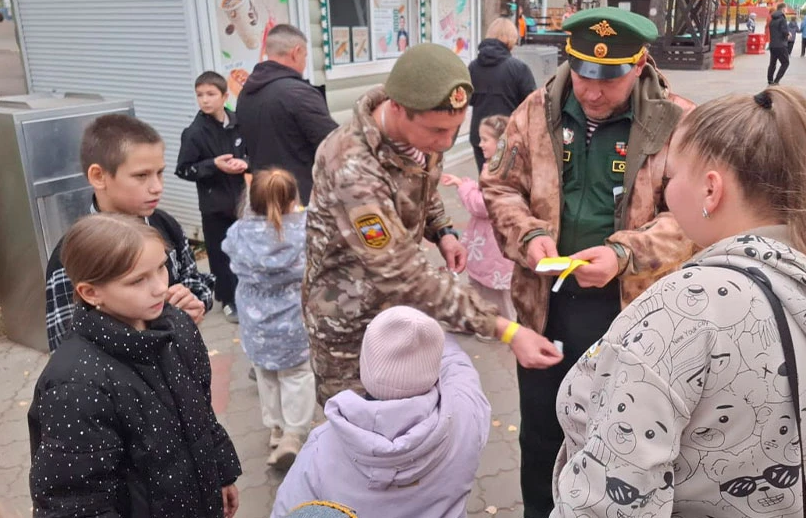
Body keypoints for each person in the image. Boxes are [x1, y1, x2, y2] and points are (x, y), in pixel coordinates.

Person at [550, 86, 806, 518]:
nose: (666, 190)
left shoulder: (681, 311)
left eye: (671, 176)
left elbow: (611, 499)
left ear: (711, 190)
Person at [480, 7, 696, 518]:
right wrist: (530, 235)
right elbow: (500, 186)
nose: (593, 93)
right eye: (583, 75)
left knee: (618, 438)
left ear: (639, 65)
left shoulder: (680, 122)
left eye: (609, 80)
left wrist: (625, 254)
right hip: (545, 310)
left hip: (632, 316)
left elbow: (692, 216)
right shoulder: (534, 111)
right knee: (540, 435)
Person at [303, 42, 562, 406]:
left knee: (406, 421)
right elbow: (403, 273)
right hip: (348, 323)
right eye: (437, 131)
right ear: (397, 107)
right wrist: (505, 329)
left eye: (454, 130)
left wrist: (443, 232)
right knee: (358, 424)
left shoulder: (418, 135)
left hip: (398, 310)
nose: (444, 143)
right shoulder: (351, 168)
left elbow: (421, 185)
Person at [29, 214, 242, 517]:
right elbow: (76, 503)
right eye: (138, 280)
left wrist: (221, 472)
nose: (160, 288)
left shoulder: (177, 328)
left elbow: (201, 413)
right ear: (91, 292)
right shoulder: (76, 385)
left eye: (161, 268)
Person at [272, 306, 490, 518]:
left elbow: (288, 509)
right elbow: (459, 368)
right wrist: (431, 333)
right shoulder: (465, 414)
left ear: (364, 366)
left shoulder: (322, 446)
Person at [44, 115, 214, 352]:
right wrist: (160, 321)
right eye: (141, 176)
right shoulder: (73, 257)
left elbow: (195, 280)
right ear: (98, 176)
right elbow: (67, 350)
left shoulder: (165, 225)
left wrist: (194, 302)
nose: (157, 187)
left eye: (160, 173)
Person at [222, 168, 315, 469]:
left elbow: (226, 250)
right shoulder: (302, 231)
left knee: (266, 374)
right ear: (292, 201)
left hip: (256, 322)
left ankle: (275, 427)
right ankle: (293, 434)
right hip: (293, 321)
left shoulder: (239, 233)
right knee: (296, 374)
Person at [237, 24, 338, 202]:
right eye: (304, 56)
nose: (304, 63)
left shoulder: (246, 93)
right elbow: (332, 143)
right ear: (296, 52)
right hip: (299, 197)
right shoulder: (299, 93)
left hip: (265, 196)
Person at [176, 70, 246, 324]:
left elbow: (252, 153)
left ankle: (246, 292)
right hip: (214, 205)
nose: (205, 100)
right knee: (220, 254)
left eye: (210, 94)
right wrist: (214, 165)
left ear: (225, 96)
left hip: (241, 201)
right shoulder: (194, 133)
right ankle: (228, 299)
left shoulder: (239, 123)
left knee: (243, 250)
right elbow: (183, 169)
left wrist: (244, 163)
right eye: (200, 95)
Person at [440, 115, 517, 325]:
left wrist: (463, 186)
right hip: (489, 240)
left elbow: (482, 204)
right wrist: (464, 182)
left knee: (495, 291)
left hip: (493, 243)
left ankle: (500, 327)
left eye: (485, 139)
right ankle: (480, 321)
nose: (480, 144)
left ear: (501, 142)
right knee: (483, 285)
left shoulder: (500, 171)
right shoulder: (500, 165)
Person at [467, 18, 537, 171]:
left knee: (486, 179)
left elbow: (468, 99)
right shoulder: (519, 68)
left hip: (481, 136)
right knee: (508, 182)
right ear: (512, 39)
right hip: (508, 137)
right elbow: (532, 105)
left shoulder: (473, 67)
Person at [767, 3, 791, 85]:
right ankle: (776, 80)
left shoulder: (772, 19)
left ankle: (770, 80)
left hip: (772, 45)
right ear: (783, 9)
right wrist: (788, 34)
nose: (786, 11)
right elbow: (784, 31)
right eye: (786, 9)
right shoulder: (782, 19)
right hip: (781, 45)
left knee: (772, 63)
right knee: (785, 63)